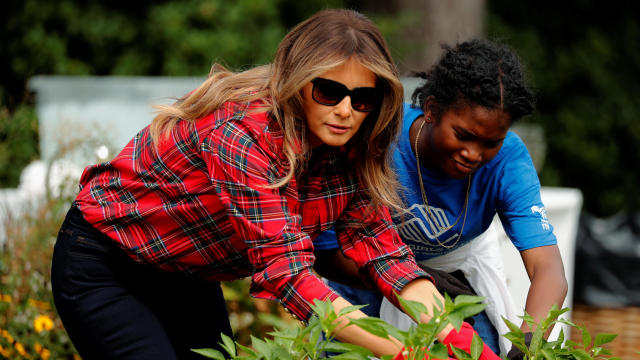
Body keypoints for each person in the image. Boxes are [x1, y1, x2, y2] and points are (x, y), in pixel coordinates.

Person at [50, 9, 500, 360]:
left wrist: (459, 338)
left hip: (186, 275)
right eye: (329, 91)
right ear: (299, 83)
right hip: (107, 262)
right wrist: (406, 352)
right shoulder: (243, 134)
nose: (346, 109)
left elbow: (383, 251)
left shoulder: (350, 149)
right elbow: (289, 274)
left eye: (362, 98)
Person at [314, 39, 568, 356]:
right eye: (463, 135)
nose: (473, 154)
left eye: (491, 142)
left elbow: (548, 269)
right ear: (432, 110)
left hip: (454, 282)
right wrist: (413, 279)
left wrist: (530, 341)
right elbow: (325, 252)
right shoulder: (380, 135)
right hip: (362, 276)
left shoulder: (509, 162)